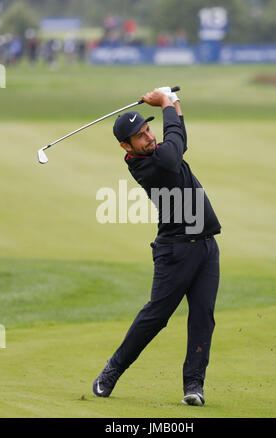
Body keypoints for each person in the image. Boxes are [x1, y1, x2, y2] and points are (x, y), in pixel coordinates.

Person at [92, 87, 221, 406]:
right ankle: (112, 369)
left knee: (203, 316)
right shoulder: (151, 164)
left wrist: (173, 103)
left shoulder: (161, 152)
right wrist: (166, 103)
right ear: (127, 146)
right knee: (156, 316)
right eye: (140, 136)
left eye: (148, 129)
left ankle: (194, 385)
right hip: (175, 251)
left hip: (206, 247)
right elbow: (175, 149)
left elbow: (180, 140)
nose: (149, 137)